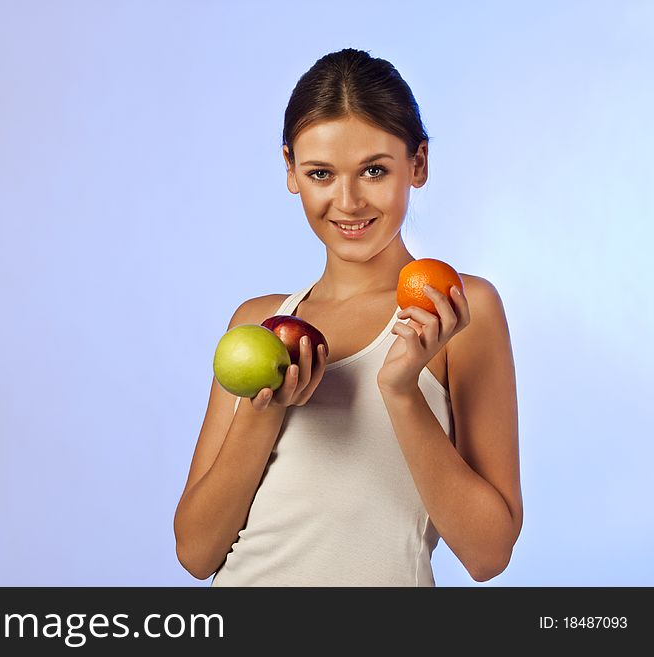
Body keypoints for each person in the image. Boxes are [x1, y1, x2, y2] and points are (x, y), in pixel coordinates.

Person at [173, 47, 522, 586]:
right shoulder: (259, 321)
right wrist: (266, 409)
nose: (349, 200)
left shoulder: (456, 313)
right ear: (290, 170)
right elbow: (197, 553)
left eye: (375, 170)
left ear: (419, 164)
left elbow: (488, 554)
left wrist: (403, 392)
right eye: (320, 173)